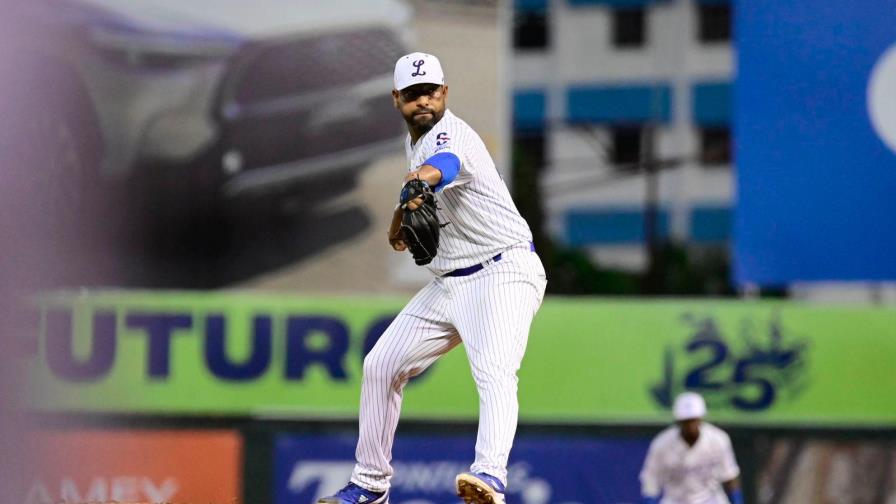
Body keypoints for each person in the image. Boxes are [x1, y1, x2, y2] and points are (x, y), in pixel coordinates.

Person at [318, 52, 547, 504]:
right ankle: (370, 484)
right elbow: (417, 185)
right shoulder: (415, 140)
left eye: (430, 91)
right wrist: (403, 213)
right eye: (413, 94)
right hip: (449, 283)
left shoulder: (450, 134)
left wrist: (421, 181)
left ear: (444, 92)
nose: (423, 100)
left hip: (503, 271)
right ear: (396, 99)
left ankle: (491, 475)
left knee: (495, 370)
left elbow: (445, 164)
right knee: (380, 366)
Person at [639, 392, 743, 504]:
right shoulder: (662, 444)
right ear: (678, 421)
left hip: (710, 499)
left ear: (701, 418)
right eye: (686, 421)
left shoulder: (718, 439)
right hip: (676, 500)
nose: (690, 426)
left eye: (693, 420)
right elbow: (650, 480)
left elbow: (729, 476)